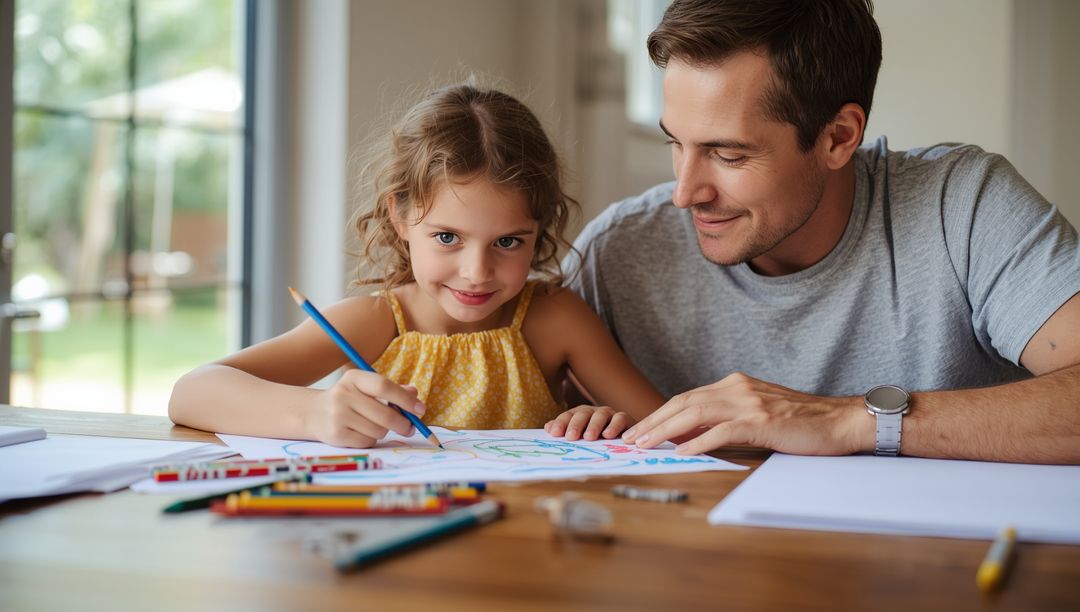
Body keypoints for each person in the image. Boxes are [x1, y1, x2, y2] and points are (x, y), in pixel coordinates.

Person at [547, 0, 1080, 463]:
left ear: (838, 137)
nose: (685, 193)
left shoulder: (961, 207)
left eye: (727, 154)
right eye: (676, 144)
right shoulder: (620, 250)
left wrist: (844, 421)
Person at [169, 83, 663, 448]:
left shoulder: (554, 319)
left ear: (540, 230)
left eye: (508, 241)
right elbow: (192, 393)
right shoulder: (373, 323)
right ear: (400, 216)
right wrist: (313, 413)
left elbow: (667, 429)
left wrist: (607, 423)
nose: (476, 271)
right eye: (447, 237)